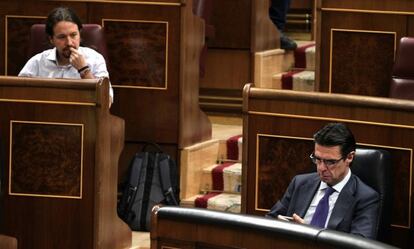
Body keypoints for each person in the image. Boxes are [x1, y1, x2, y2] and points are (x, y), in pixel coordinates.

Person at [266, 123, 379, 239]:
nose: (321, 168)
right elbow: (269, 221)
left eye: (330, 162)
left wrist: (308, 233)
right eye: (318, 159)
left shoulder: (366, 198)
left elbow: (359, 244)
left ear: (349, 157)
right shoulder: (299, 183)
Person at [18, 7, 113, 102]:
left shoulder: (95, 59)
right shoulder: (37, 62)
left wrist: (84, 70)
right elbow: (18, 96)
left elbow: (106, 102)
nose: (69, 43)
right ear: (51, 39)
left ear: (79, 35)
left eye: (73, 35)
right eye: (62, 37)